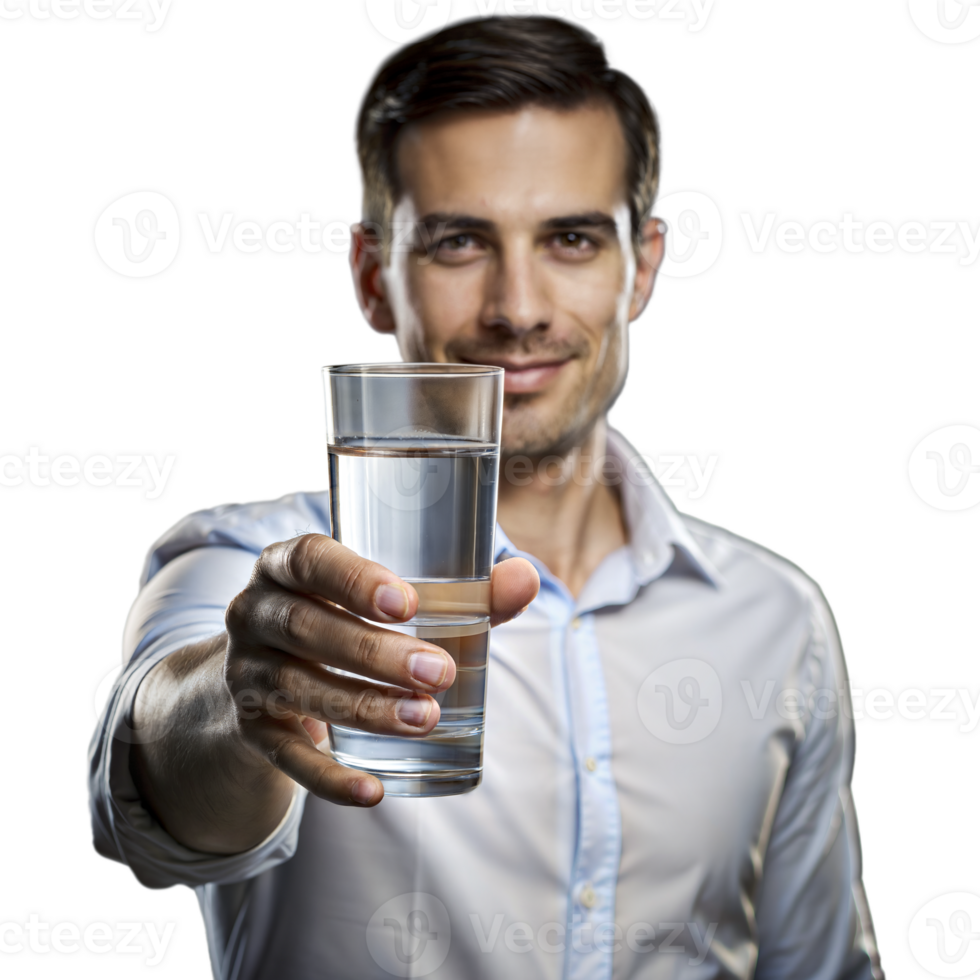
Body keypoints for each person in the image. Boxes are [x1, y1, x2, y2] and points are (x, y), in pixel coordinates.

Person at [85, 13, 884, 979]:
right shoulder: (248, 563)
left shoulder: (777, 616)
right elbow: (159, 798)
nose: (519, 306)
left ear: (644, 267)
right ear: (376, 280)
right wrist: (243, 696)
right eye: (460, 242)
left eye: (573, 240)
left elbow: (819, 965)